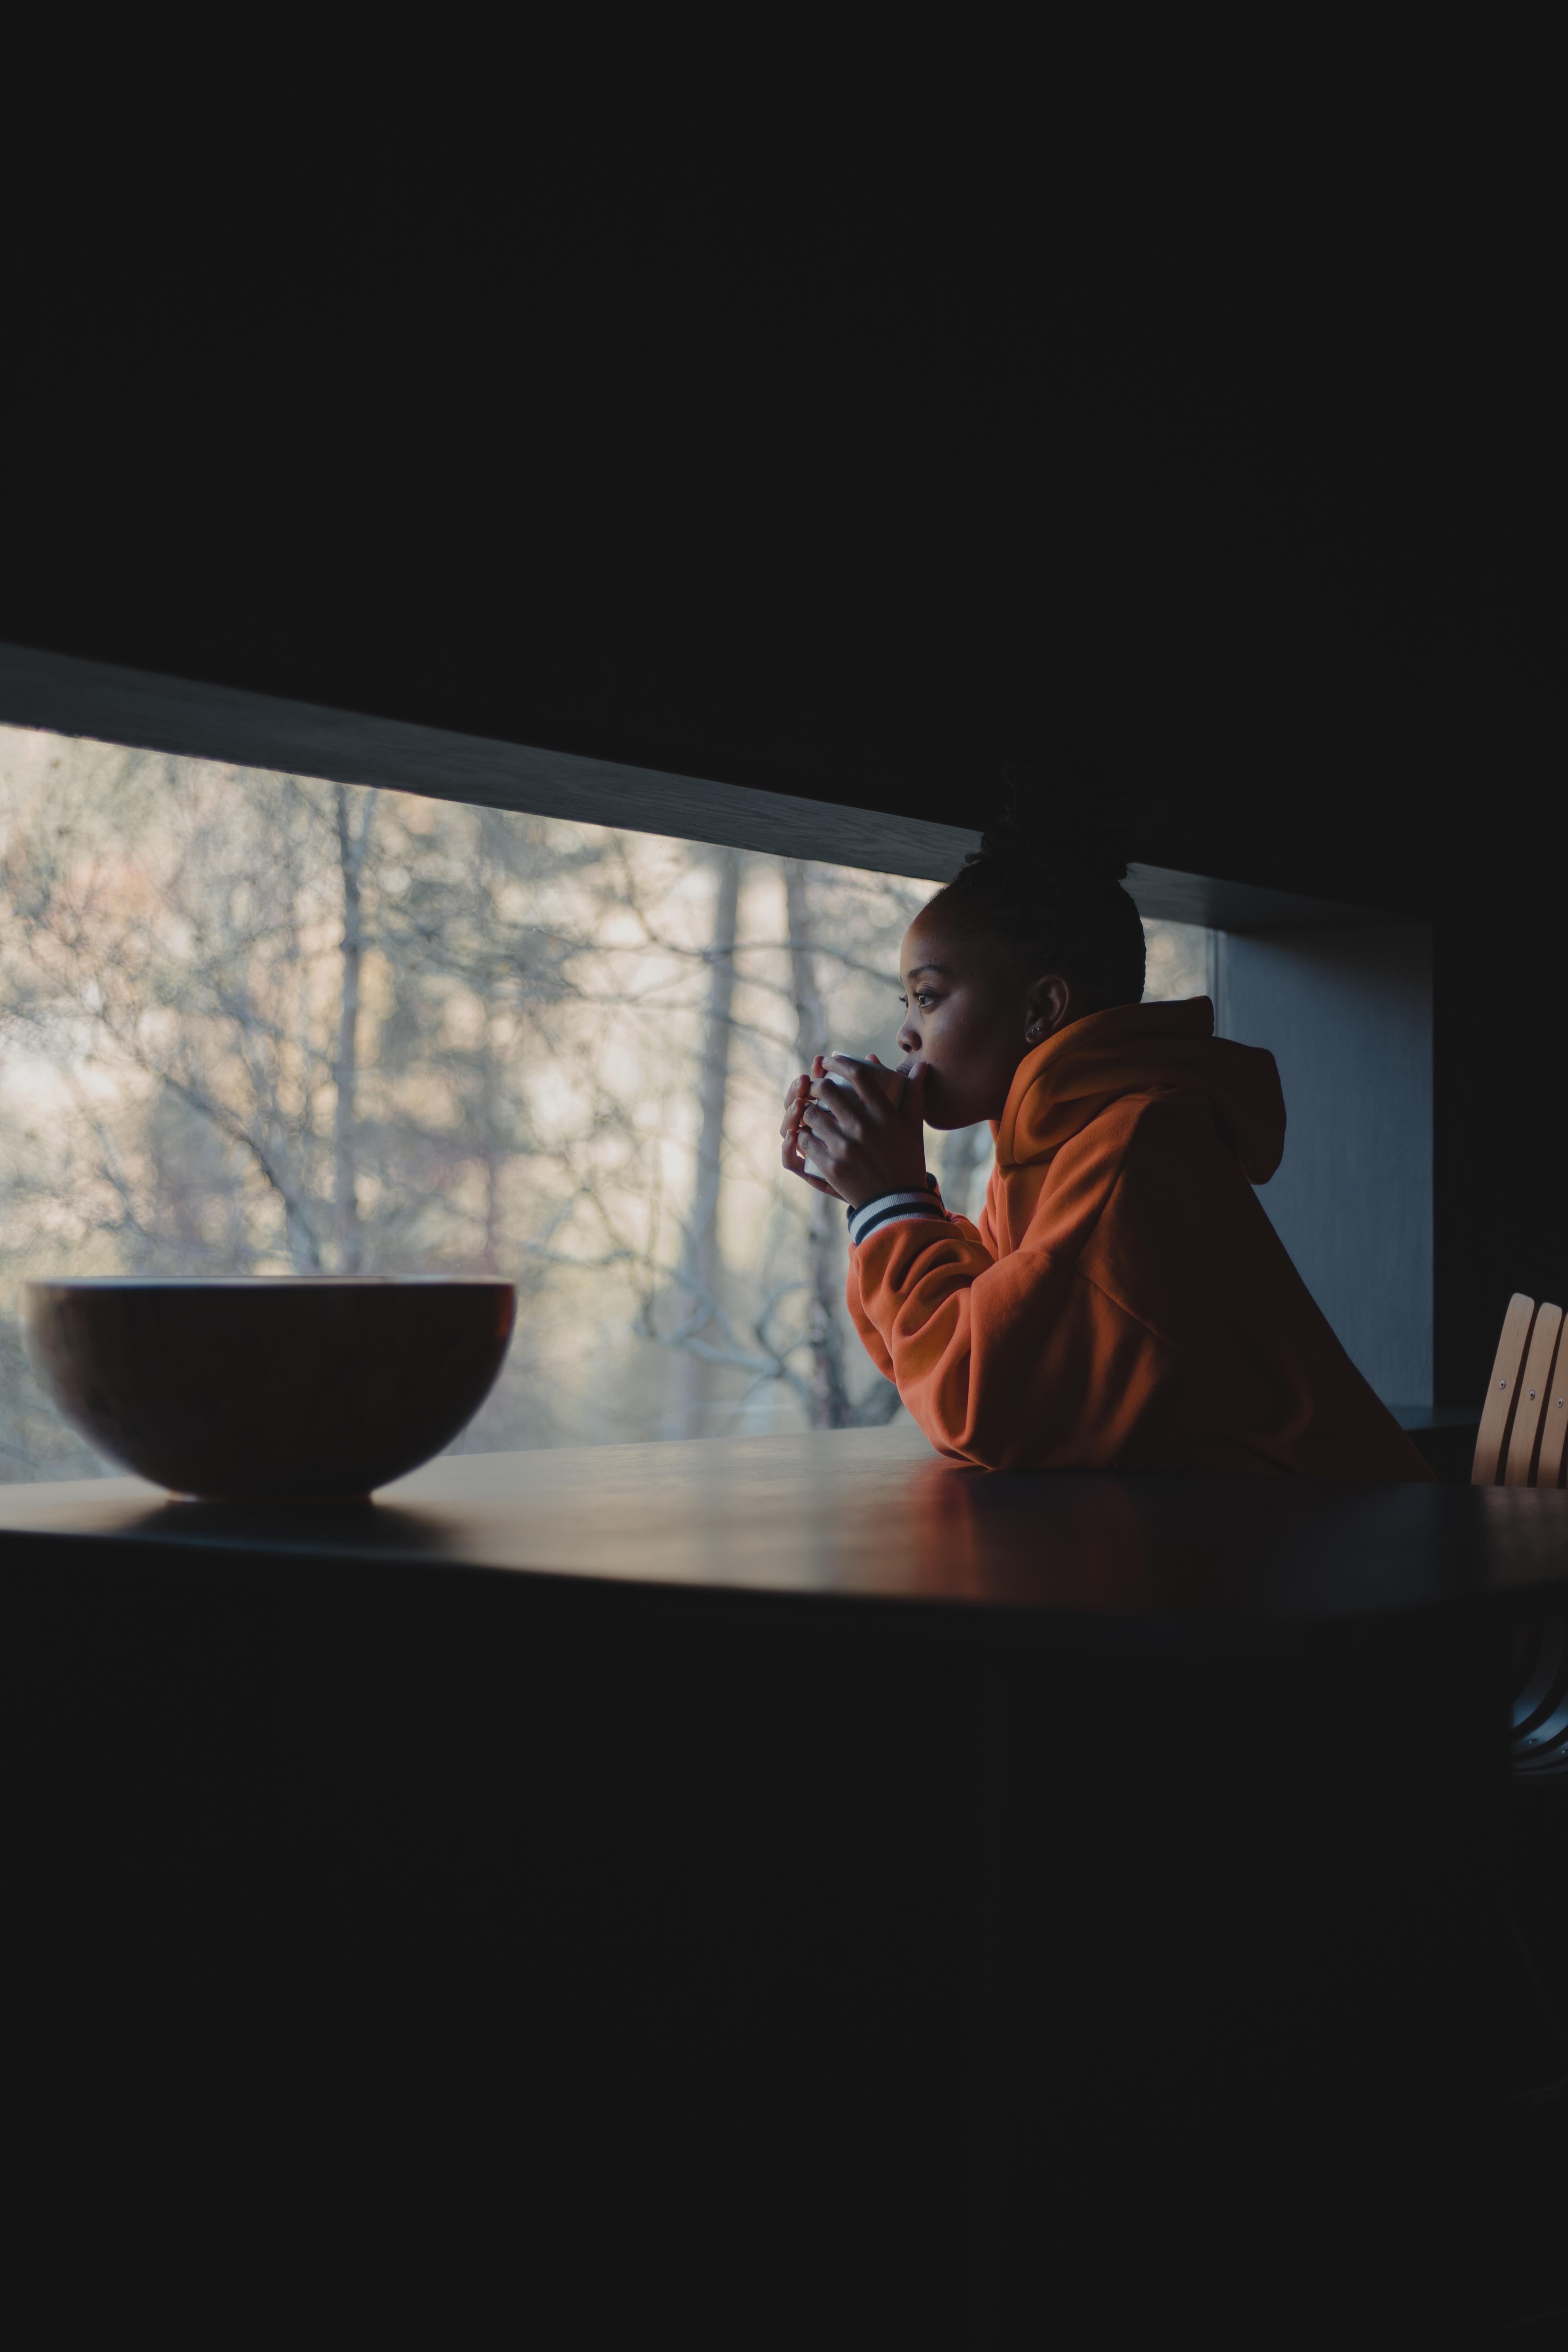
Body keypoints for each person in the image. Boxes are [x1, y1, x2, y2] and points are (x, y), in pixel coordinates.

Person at [780, 761, 1432, 1479]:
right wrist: (873, 1199)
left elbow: (983, 1405)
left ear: (1041, 1010)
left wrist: (889, 1204)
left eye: (927, 997)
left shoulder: (1132, 1149)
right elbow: (939, 1366)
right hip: (1267, 1542)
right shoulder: (1048, 1154)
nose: (906, 1033)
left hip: (1346, 1549)